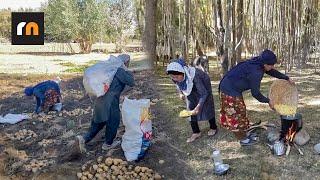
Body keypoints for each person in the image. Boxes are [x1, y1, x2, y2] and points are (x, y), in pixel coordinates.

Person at [219, 49, 294, 146]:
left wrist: (286, 78)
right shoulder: (256, 72)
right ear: (265, 64)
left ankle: (244, 134)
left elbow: (271, 71)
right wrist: (268, 101)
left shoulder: (259, 63)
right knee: (236, 116)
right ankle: (243, 140)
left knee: (241, 112)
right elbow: (255, 93)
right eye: (271, 65)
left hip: (232, 88)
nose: (272, 67)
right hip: (229, 90)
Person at [76, 54, 135, 152]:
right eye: (128, 63)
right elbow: (131, 81)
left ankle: (84, 139)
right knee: (113, 121)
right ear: (125, 62)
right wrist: (127, 71)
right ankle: (108, 144)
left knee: (98, 122)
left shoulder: (109, 70)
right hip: (111, 101)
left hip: (100, 100)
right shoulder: (120, 71)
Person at [167, 58, 218, 143]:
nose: (175, 79)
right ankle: (196, 132)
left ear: (183, 72)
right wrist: (180, 93)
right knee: (190, 108)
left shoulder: (195, 76)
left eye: (176, 77)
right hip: (190, 87)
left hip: (203, 85)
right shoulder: (175, 76)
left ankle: (213, 127)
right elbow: (177, 84)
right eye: (173, 77)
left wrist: (198, 107)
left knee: (206, 105)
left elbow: (204, 93)